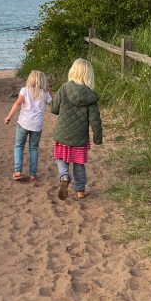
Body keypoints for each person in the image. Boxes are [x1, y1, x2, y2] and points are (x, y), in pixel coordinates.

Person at [50, 58, 102, 200]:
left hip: (62, 134)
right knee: (79, 163)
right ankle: (80, 191)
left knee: (61, 159)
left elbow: (54, 109)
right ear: (89, 75)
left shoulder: (64, 88)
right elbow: (95, 120)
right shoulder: (90, 96)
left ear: (72, 71)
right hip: (80, 137)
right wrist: (98, 138)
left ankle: (64, 177)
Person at [4, 70, 53, 182]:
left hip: (23, 123)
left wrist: (9, 117)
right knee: (34, 148)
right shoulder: (45, 93)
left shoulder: (25, 90)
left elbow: (18, 103)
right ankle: (33, 174)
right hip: (37, 125)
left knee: (19, 146)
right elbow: (53, 104)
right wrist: (49, 91)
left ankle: (18, 171)